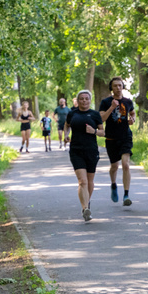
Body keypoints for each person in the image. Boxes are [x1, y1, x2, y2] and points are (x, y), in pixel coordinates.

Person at [65, 90, 105, 221]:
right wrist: (66, 135)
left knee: (90, 181)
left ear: (90, 100)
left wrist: (94, 131)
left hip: (91, 150)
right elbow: (67, 125)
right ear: (78, 100)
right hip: (76, 150)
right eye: (81, 99)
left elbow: (102, 132)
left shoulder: (95, 114)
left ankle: (87, 203)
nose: (84, 101)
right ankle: (85, 208)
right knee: (82, 181)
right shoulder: (72, 114)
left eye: (86, 99)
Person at [99, 77, 135, 206]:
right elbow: (101, 119)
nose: (118, 88)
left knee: (126, 164)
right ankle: (114, 185)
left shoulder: (128, 101)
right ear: (111, 88)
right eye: (115, 86)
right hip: (111, 138)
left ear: (123, 87)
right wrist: (112, 107)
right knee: (114, 166)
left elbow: (132, 113)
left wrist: (132, 119)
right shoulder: (105, 102)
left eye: (120, 85)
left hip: (125, 136)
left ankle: (126, 194)